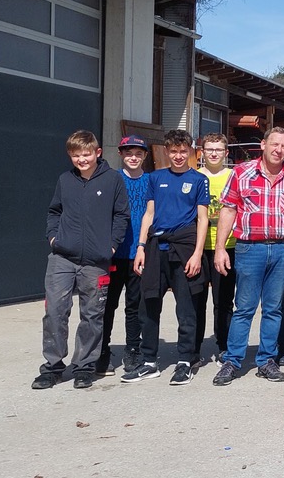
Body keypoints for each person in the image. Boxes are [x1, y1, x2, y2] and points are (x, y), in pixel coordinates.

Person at [211, 127, 284, 386]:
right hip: (249, 249)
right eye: (274, 144)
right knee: (244, 308)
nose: (278, 150)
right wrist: (220, 248)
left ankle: (266, 360)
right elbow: (228, 211)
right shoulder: (241, 173)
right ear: (263, 145)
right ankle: (232, 361)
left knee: (274, 309)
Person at [34, 130, 128, 390]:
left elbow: (121, 215)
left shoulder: (112, 180)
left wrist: (110, 246)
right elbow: (54, 212)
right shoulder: (65, 180)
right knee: (54, 312)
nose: (82, 159)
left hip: (95, 261)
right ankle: (52, 367)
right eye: (76, 155)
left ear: (97, 153)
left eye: (87, 154)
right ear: (70, 156)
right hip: (62, 258)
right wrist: (54, 238)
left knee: (92, 314)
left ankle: (85, 366)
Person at [125, 129, 209, 385]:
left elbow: (203, 219)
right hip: (155, 248)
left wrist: (196, 254)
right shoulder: (155, 177)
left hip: (184, 248)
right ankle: (149, 361)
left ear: (191, 152)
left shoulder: (198, 180)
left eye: (183, 151)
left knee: (186, 309)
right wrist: (140, 247)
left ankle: (185, 360)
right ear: (166, 152)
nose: (179, 156)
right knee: (148, 306)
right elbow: (148, 215)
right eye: (173, 151)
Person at [97, 135, 149, 376]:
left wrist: (145, 246)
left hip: (139, 253)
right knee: (107, 304)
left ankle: (133, 349)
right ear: (120, 154)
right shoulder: (112, 179)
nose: (133, 157)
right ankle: (102, 350)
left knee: (135, 306)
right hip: (114, 254)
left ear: (145, 156)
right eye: (128, 152)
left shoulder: (150, 181)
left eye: (138, 153)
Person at [197, 133, 235, 366]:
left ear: (226, 153)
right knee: (196, 300)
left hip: (228, 246)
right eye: (209, 149)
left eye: (218, 150)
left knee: (223, 300)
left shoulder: (234, 176)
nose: (213, 153)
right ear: (202, 152)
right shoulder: (196, 176)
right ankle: (193, 348)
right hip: (200, 247)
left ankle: (224, 345)